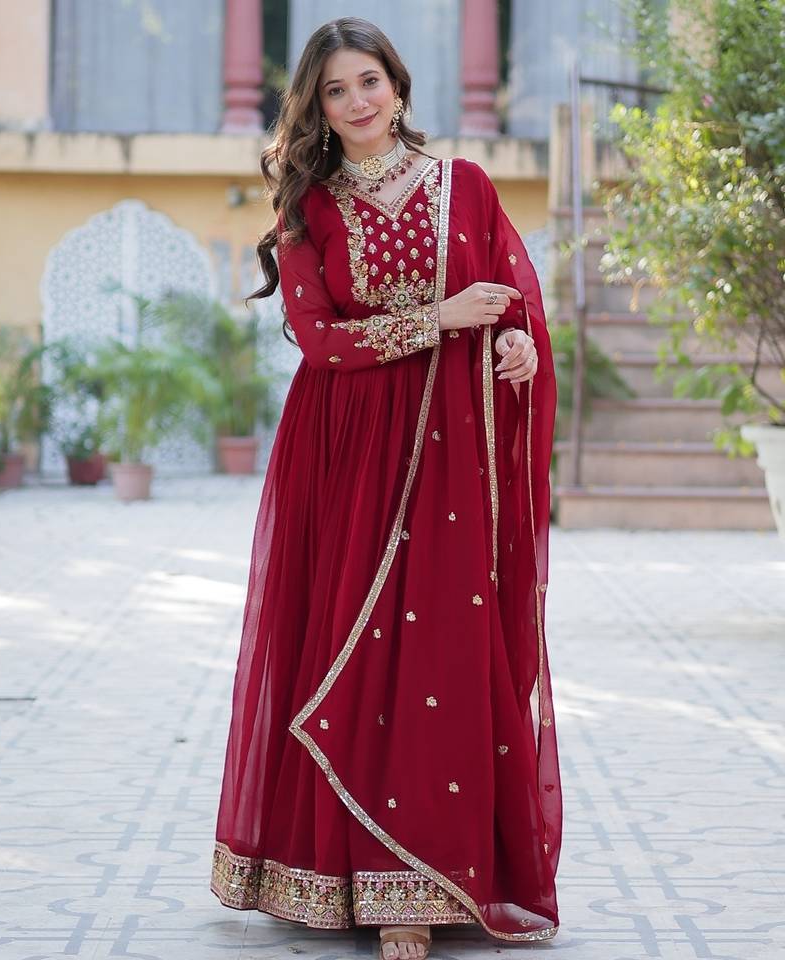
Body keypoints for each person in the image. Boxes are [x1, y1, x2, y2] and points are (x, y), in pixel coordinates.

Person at [210, 16, 562, 959]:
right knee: (352, 650)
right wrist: (440, 317)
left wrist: (519, 347)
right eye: (336, 90)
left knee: (443, 650)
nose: (358, 102)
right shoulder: (307, 210)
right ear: (319, 111)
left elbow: (513, 305)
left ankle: (438, 874)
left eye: (369, 81)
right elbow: (320, 341)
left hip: (452, 454)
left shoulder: (468, 189)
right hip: (350, 454)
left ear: (398, 88)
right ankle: (357, 879)